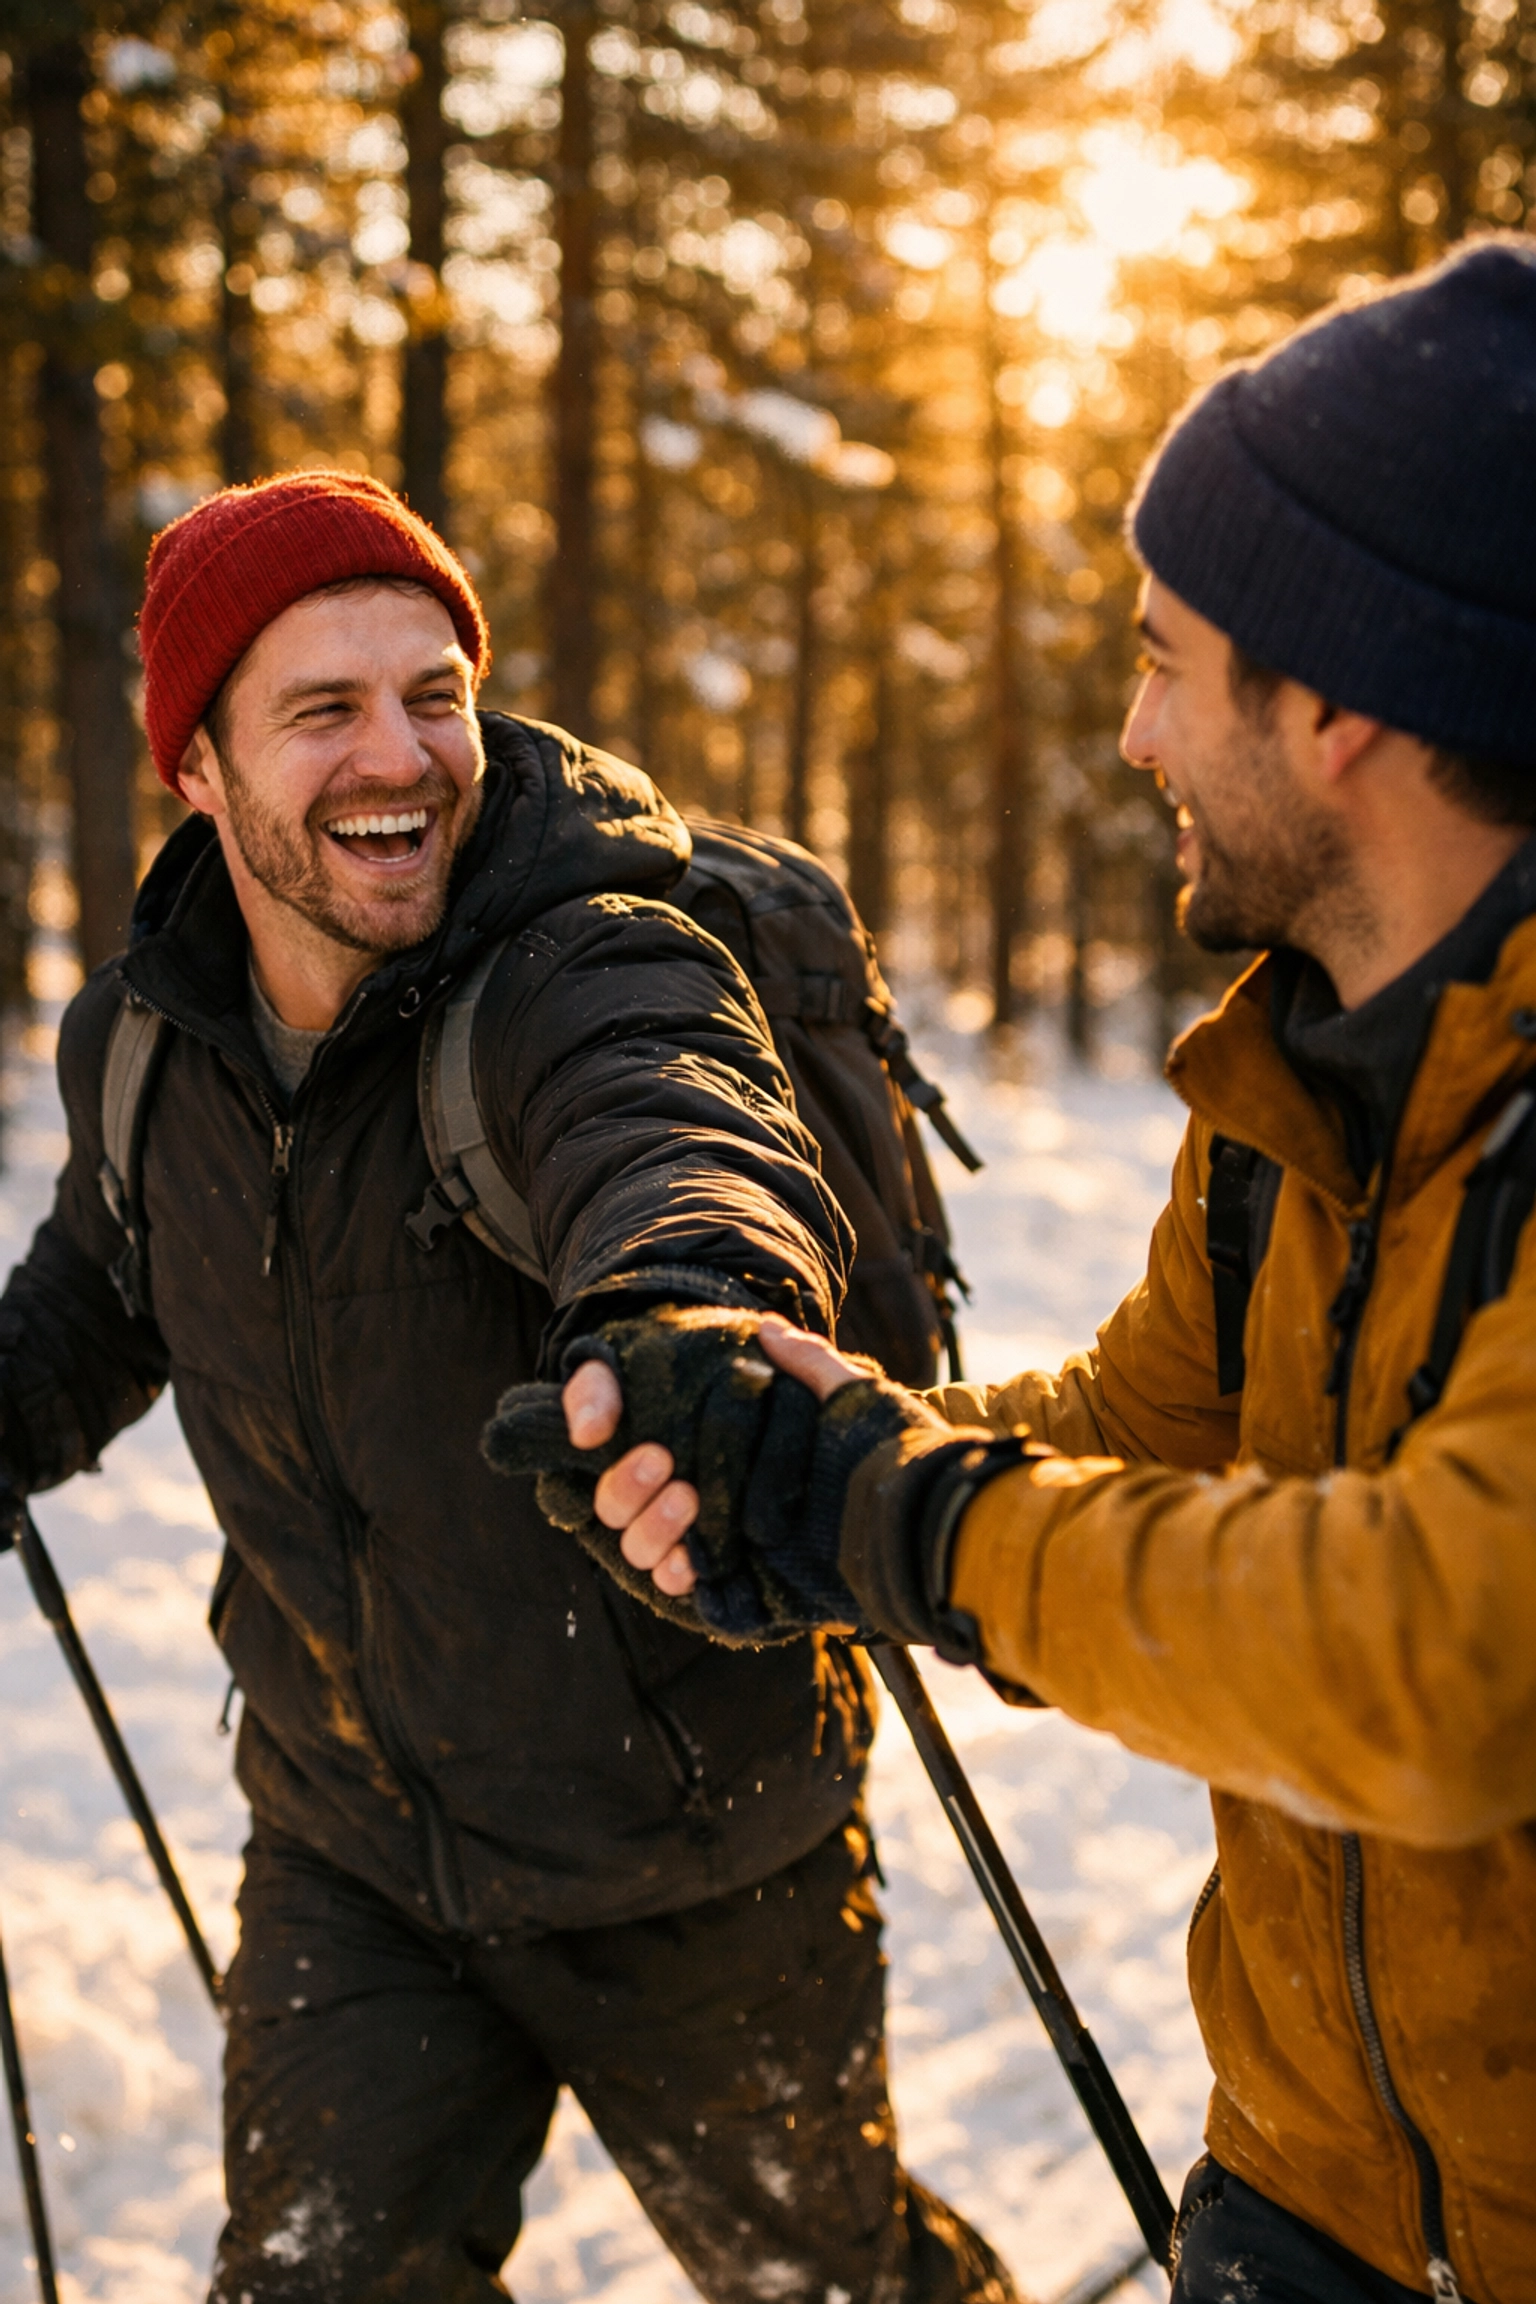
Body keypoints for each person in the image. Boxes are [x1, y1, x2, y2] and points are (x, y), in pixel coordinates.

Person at [556, 239, 1536, 2303]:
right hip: (1309, 2198)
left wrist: (908, 1524)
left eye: (1167, 656)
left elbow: (1437, 1657)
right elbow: (1139, 1429)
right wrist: (801, 1442)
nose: (1130, 729)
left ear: (1343, 702)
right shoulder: (1305, 1070)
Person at [0, 471, 1017, 2304]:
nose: (405, 755)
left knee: (838, 2288)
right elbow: (106, 1281)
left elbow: (671, 1128)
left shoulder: (586, 950)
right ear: (201, 771)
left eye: (436, 692)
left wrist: (687, 1322)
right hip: (354, 1851)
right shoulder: (147, 1040)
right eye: (323, 710)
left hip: (690, 1848)